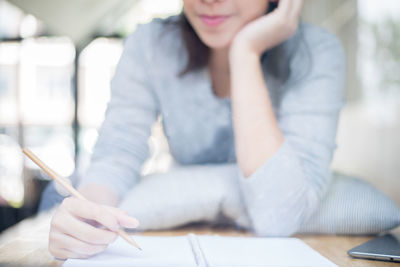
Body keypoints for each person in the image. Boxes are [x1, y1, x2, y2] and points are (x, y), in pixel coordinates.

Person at [47, 0, 346, 259]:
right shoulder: (151, 44)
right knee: (53, 197)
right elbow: (118, 154)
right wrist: (88, 217)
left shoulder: (316, 52)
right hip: (177, 244)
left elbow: (280, 212)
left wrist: (245, 53)